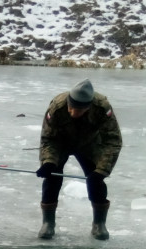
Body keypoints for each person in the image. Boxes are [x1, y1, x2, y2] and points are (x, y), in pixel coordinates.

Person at [35, 79, 122, 240]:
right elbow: (48, 139)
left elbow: (113, 141)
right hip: (60, 143)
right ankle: (48, 223)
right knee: (52, 177)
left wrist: (102, 170)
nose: (73, 113)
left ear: (88, 107)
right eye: (71, 108)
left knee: (96, 180)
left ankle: (99, 224)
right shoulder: (57, 107)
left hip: (90, 144)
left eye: (79, 111)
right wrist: (48, 162)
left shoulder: (102, 108)